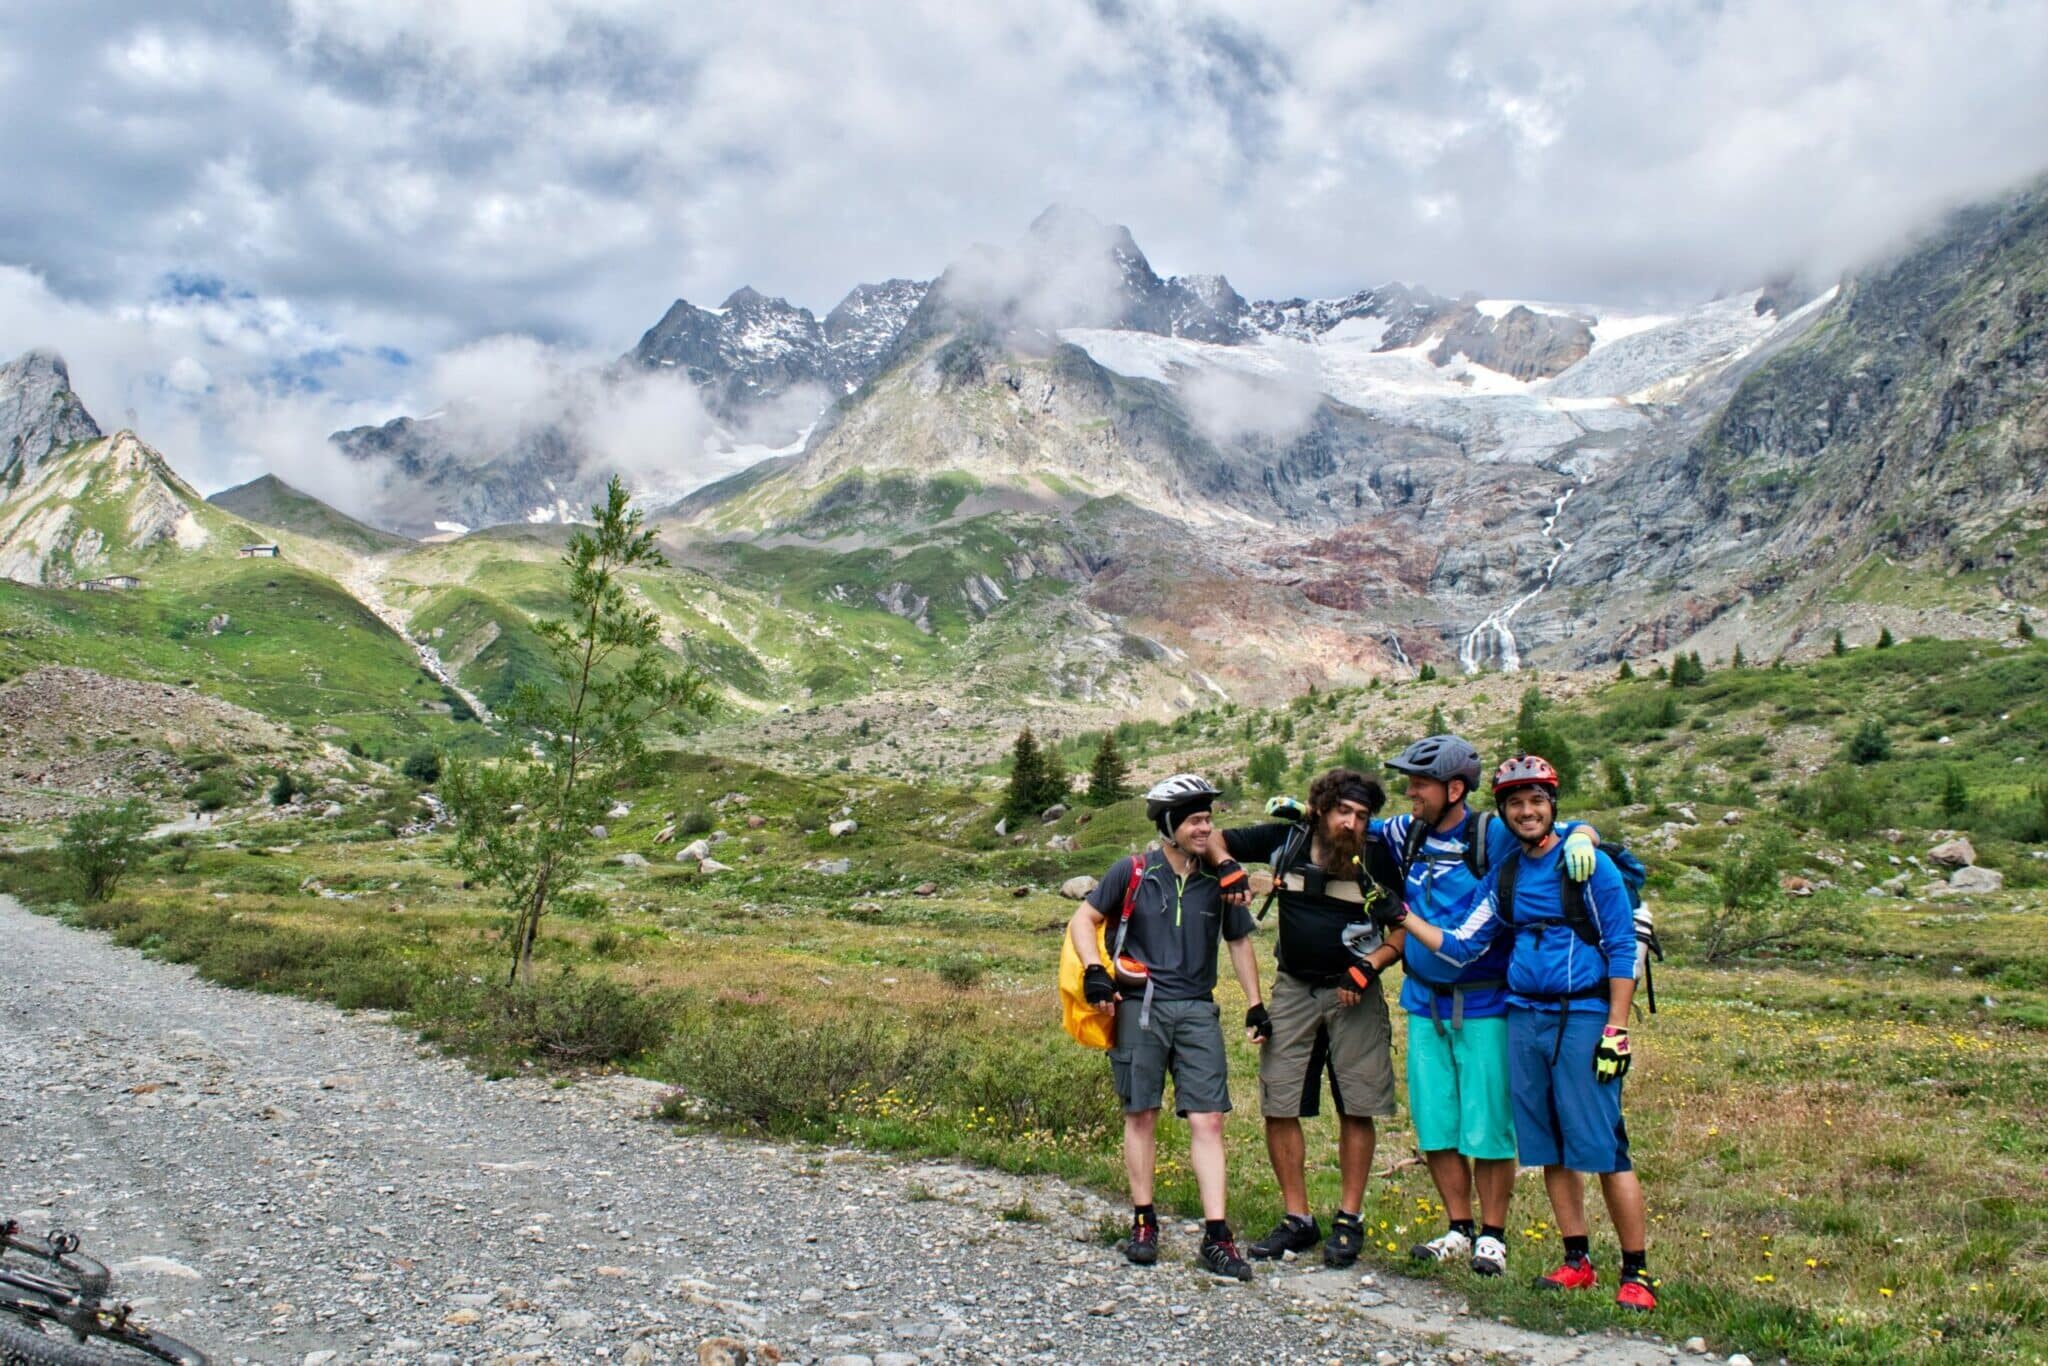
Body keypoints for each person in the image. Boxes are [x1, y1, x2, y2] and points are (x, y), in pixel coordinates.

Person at [1378, 755, 1657, 1311]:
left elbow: (1623, 948)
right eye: (1515, 803)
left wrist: (1617, 1029)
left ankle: (1637, 1272)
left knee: (1605, 1146)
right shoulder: (1505, 875)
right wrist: (1402, 917)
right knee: (1549, 1146)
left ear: (1553, 806)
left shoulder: (1589, 865)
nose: (1526, 812)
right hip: (1524, 1015)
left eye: (1536, 801)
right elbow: (1462, 943)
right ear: (1502, 811)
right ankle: (1576, 1260)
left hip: (1582, 1016)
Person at [1066, 773, 1264, 1282]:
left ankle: (1217, 1237)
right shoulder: (1133, 871)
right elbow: (1082, 921)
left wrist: (1255, 1004)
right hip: (1140, 1008)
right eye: (1196, 820)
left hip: (1198, 1009)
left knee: (1209, 1120)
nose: (1206, 828)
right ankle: (1143, 1221)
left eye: (1209, 819)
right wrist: (1094, 971)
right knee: (1141, 1114)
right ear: (1170, 824)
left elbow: (1239, 943)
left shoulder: (1217, 882)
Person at [1211, 769, 1406, 1269]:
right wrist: (1229, 867)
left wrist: (1371, 966)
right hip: (1294, 986)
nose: (1351, 823)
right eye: (1343, 811)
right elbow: (1213, 836)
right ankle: (1297, 1219)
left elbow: (1404, 927)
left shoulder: (1378, 856)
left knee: (1357, 1103)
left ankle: (1348, 1218)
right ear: (1320, 810)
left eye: (1362, 816)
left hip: (1354, 992)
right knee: (1280, 1100)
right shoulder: (1287, 838)